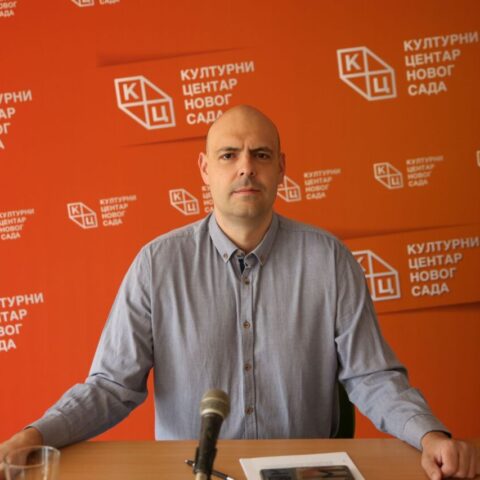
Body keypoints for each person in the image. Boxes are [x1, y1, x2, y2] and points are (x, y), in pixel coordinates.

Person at [1, 106, 478, 480]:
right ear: (205, 169)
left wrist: (430, 436)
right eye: (229, 155)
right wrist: (35, 435)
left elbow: (372, 376)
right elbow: (110, 387)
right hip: (194, 472)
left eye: (261, 155)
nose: (246, 168)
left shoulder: (328, 259)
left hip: (301, 473)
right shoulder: (157, 265)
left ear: (282, 168)